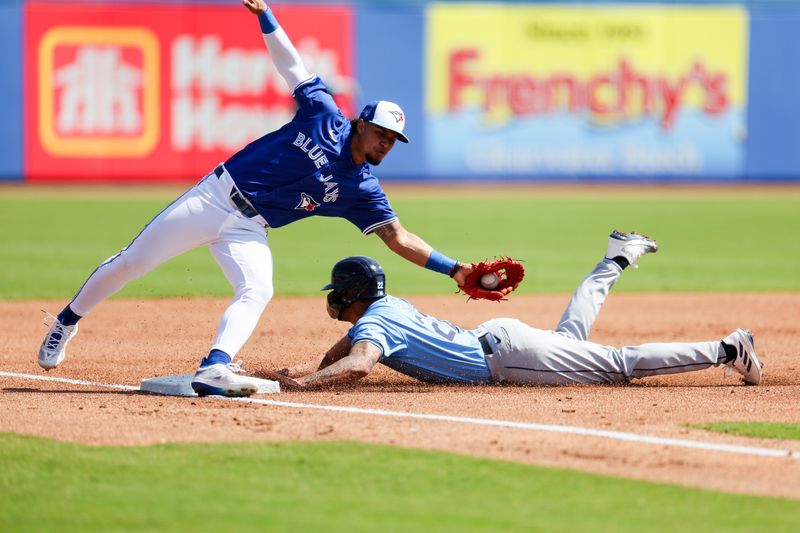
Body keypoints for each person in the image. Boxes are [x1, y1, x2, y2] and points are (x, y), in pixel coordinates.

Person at [37, 0, 475, 397]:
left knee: (258, 288)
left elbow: (398, 237)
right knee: (133, 262)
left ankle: (215, 367)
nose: (386, 144)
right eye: (381, 133)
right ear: (361, 124)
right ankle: (66, 322)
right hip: (214, 198)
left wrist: (454, 269)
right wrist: (266, 15)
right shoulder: (324, 116)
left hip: (250, 227)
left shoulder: (362, 189)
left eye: (394, 140)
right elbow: (293, 66)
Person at [263, 230, 763, 390]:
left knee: (618, 366)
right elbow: (347, 346)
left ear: (348, 295)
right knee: (572, 337)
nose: (332, 299)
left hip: (504, 358)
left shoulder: (373, 324)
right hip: (503, 338)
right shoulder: (385, 308)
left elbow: (358, 362)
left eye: (336, 291)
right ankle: (617, 256)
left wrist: (305, 384)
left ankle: (726, 348)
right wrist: (308, 368)